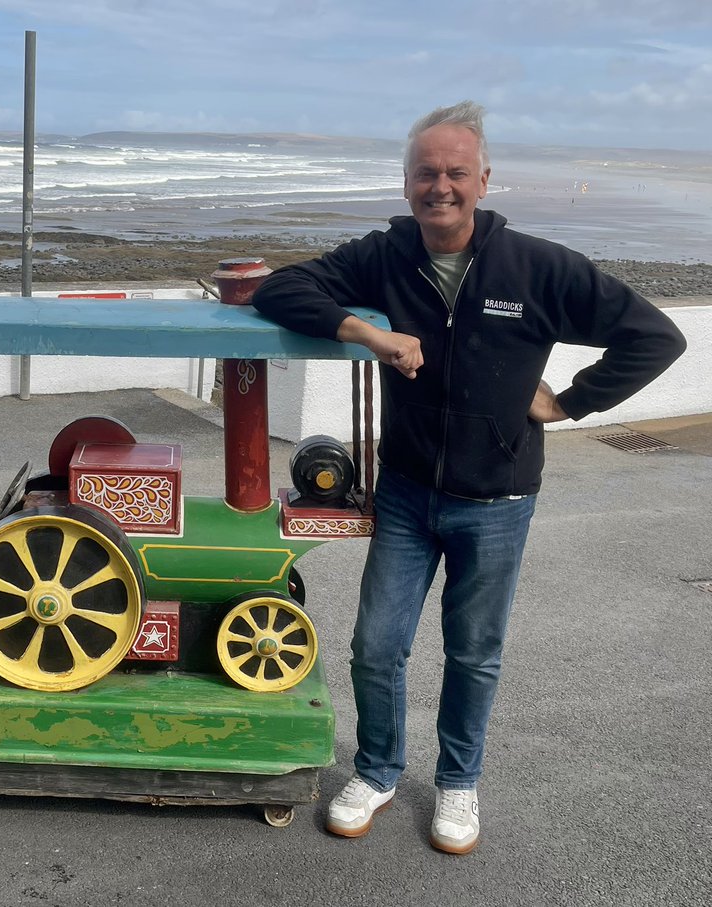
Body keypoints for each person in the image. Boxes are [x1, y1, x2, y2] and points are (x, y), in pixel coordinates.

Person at [251, 100, 685, 855]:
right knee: (375, 646)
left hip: (499, 498)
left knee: (473, 652)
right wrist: (370, 333)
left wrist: (571, 401)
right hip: (407, 492)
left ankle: (458, 782)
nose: (440, 186)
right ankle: (378, 771)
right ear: (407, 183)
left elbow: (654, 336)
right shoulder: (385, 256)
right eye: (426, 173)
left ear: (484, 180)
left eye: (456, 172)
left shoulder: (536, 267)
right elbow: (279, 290)